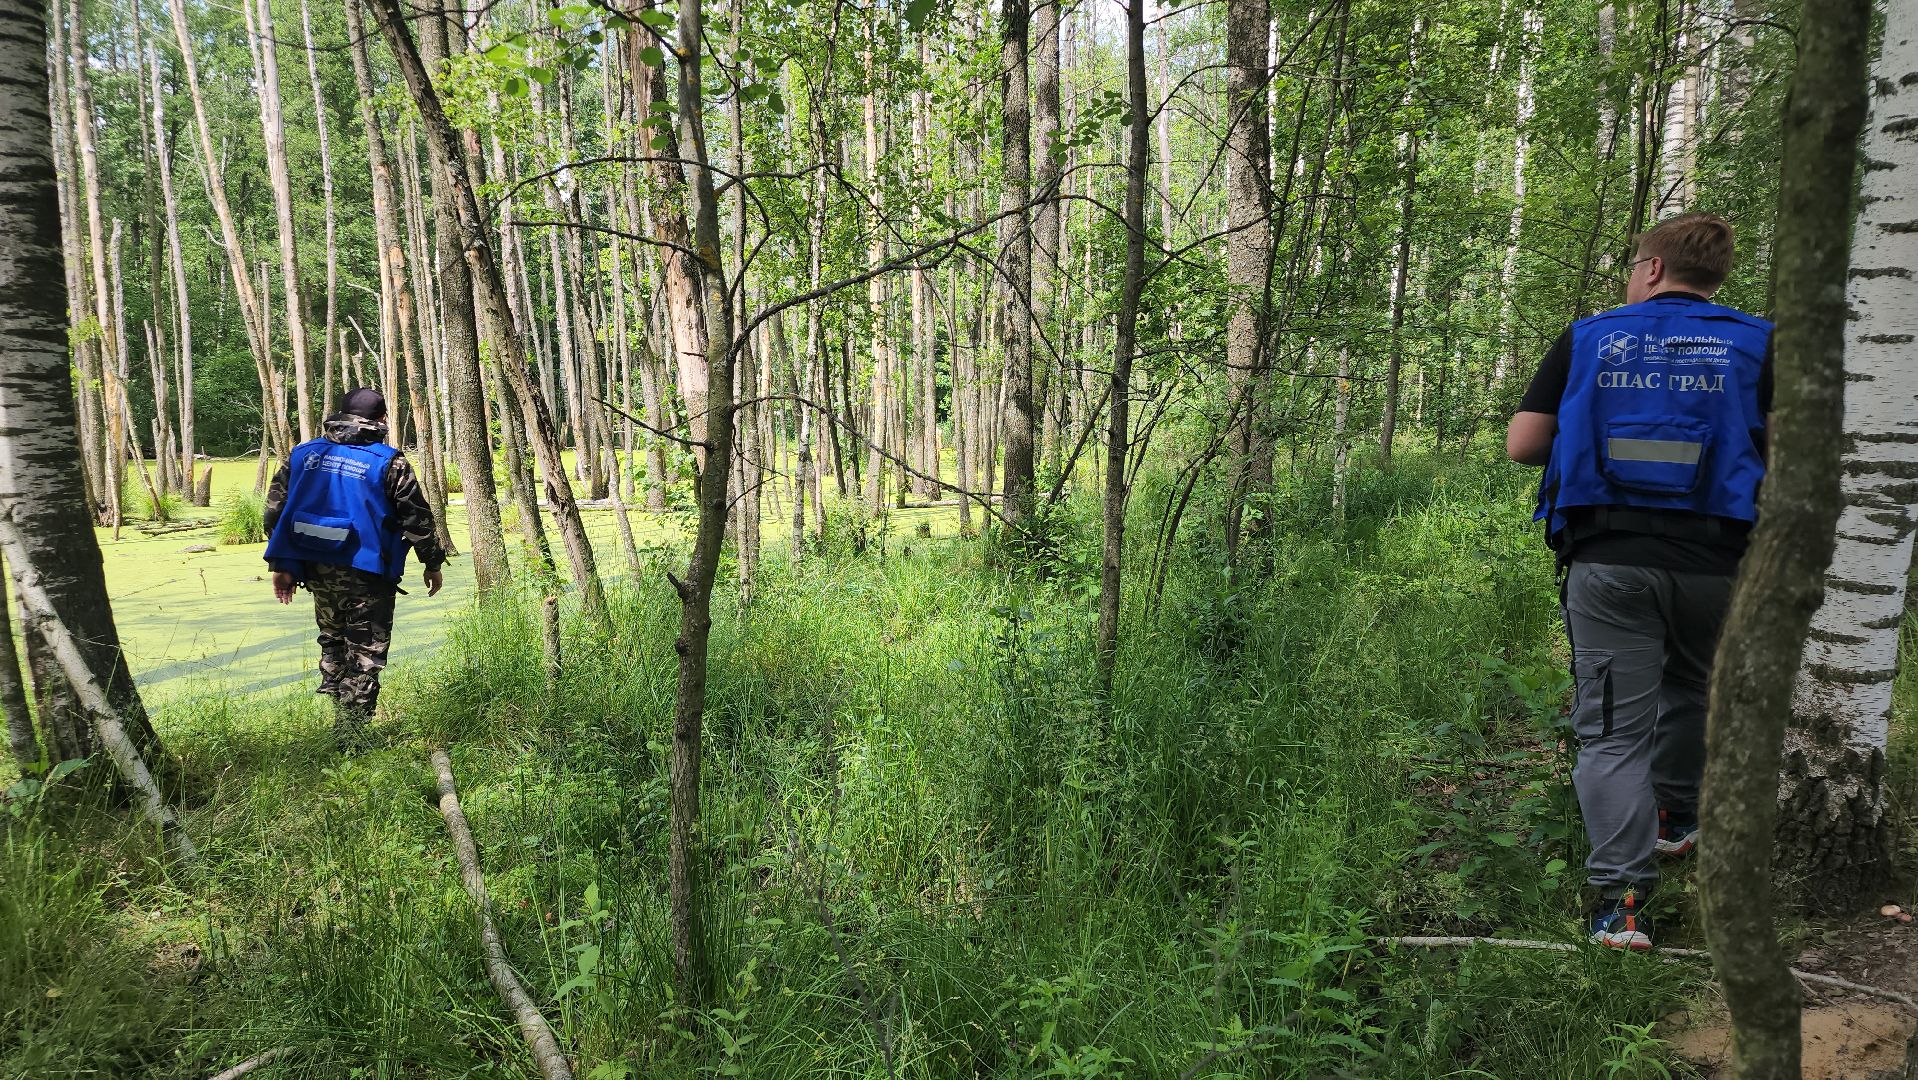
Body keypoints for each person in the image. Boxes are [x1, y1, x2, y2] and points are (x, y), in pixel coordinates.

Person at [1506, 213, 1772, 951]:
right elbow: (1785, 452)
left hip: (1610, 558)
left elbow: (1524, 443)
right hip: (1717, 561)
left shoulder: (1592, 336)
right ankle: (1673, 819)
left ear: (1652, 269)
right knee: (1694, 689)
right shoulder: (1759, 341)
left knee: (1615, 735)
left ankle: (1621, 909)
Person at [263, 388, 446, 750]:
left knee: (332, 641)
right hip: (367, 574)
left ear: (341, 415)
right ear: (380, 421)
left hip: (316, 570)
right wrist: (432, 562)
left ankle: (341, 721)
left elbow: (275, 511)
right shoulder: (389, 462)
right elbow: (416, 518)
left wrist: (283, 565)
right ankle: (352, 738)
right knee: (364, 652)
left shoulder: (303, 455)